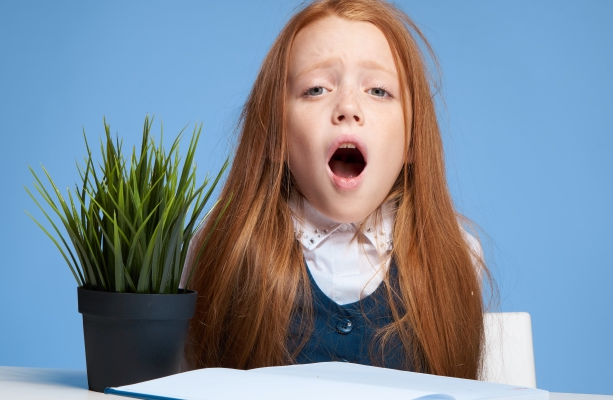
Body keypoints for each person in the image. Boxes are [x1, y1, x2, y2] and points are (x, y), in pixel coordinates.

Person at [182, 0, 491, 380]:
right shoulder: (223, 245)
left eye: (378, 91)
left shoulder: (456, 256)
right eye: (316, 89)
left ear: (412, 140)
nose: (347, 106)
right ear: (276, 136)